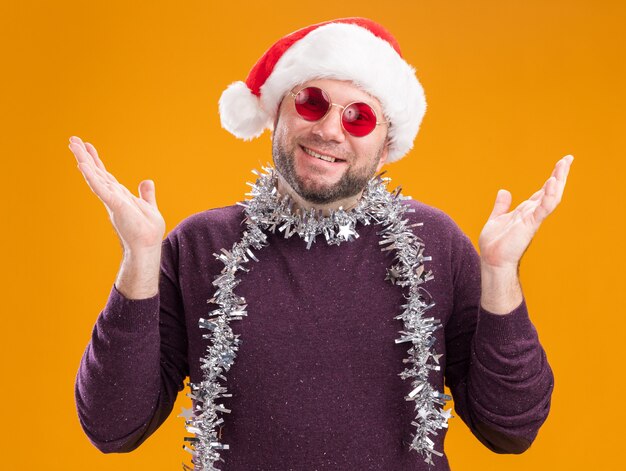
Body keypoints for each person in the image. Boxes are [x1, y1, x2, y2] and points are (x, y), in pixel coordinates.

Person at [71, 18, 572, 471]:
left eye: (359, 117)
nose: (330, 129)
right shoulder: (201, 246)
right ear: (277, 112)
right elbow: (114, 427)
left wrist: (501, 274)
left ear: (386, 141)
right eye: (312, 102)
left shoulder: (435, 243)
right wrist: (138, 259)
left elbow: (510, 429)